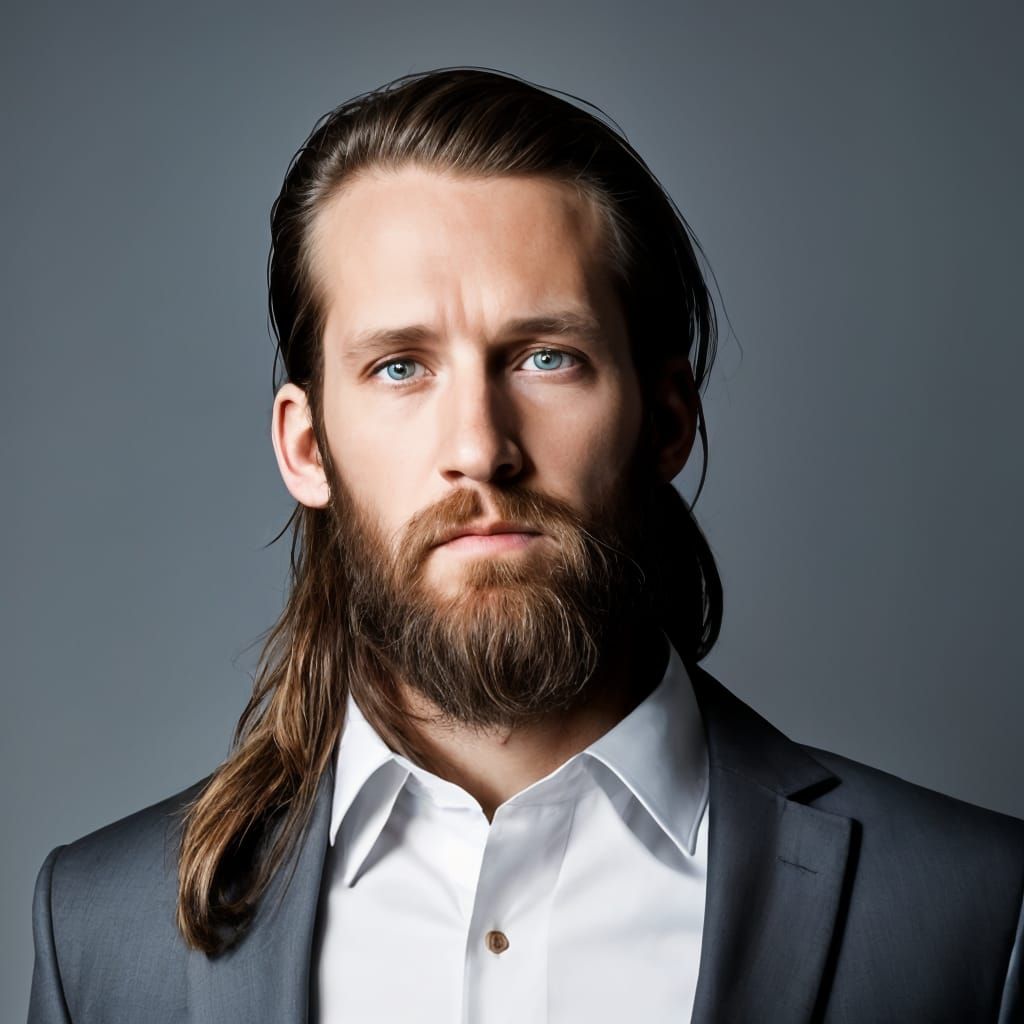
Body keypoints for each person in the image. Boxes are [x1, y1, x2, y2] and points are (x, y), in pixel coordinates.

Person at [28, 67, 1023, 1024]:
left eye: (548, 357)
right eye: (400, 366)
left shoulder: (972, 915)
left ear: (666, 420)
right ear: (304, 444)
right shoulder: (101, 932)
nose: (480, 448)